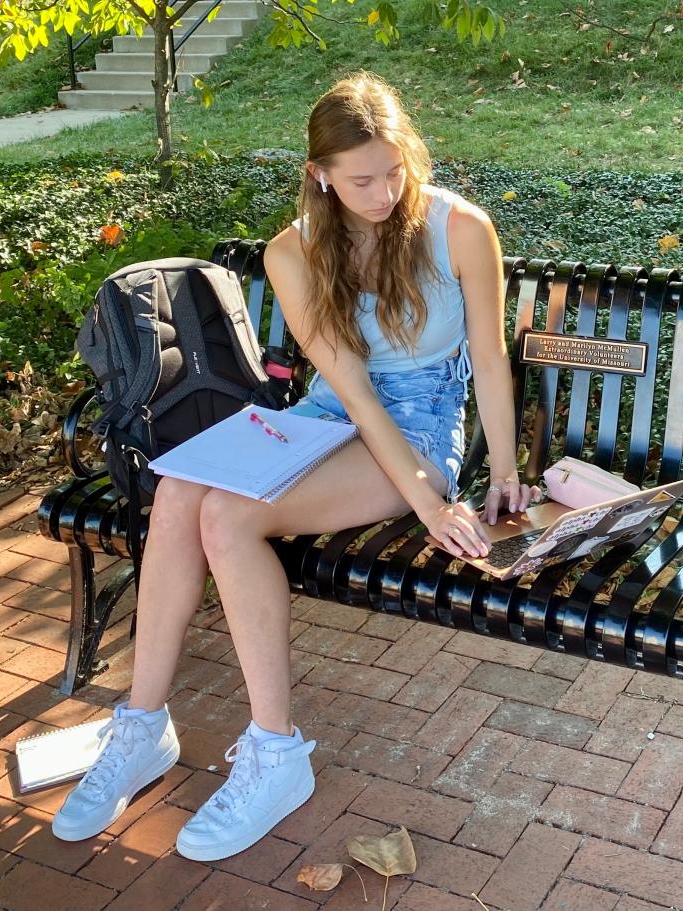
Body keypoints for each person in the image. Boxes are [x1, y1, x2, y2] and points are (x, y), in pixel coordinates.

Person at [51, 71, 540, 861]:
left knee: (230, 516)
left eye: (394, 171)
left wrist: (473, 478)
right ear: (319, 174)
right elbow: (345, 384)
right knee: (179, 488)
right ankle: (140, 726)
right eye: (360, 180)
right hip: (328, 411)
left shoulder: (458, 228)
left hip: (416, 428)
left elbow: (487, 354)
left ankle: (275, 752)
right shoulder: (294, 252)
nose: (383, 192)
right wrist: (422, 503)